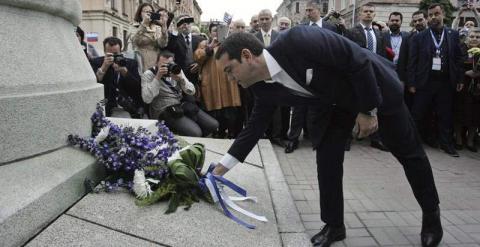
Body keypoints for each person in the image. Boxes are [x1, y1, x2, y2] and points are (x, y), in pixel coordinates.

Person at [212, 27, 442, 247]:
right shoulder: (260, 87)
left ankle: (432, 215)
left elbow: (356, 61)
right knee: (327, 159)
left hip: (374, 88)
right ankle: (334, 225)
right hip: (333, 106)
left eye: (229, 70)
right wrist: (219, 171)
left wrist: (368, 109)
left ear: (246, 55)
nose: (230, 79)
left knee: (409, 153)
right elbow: (254, 127)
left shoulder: (299, 39)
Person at [408, 3, 464, 157]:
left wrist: (460, 79)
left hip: (446, 82)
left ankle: (446, 144)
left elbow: (458, 59)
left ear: (443, 14)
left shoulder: (453, 34)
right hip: (424, 82)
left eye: (436, 14)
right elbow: (412, 61)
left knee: (445, 115)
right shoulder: (420, 37)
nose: (433, 17)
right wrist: (411, 83)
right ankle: (412, 143)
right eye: (430, 15)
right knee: (417, 113)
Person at [141, 51, 218, 137]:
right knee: (196, 132)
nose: (167, 67)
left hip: (179, 105)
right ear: (156, 63)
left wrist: (181, 79)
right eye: (163, 65)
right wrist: (158, 77)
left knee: (213, 125)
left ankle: (185, 133)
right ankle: (180, 134)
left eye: (169, 64)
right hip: (163, 109)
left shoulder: (175, 70)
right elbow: (146, 98)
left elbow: (191, 91)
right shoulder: (149, 74)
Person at [344, 3, 389, 151]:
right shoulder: (351, 32)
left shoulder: (380, 34)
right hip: (358, 74)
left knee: (376, 104)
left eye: (371, 11)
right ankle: (347, 138)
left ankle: (375, 138)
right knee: (353, 104)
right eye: (366, 11)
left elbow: (382, 56)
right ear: (360, 14)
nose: (368, 14)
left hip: (375, 74)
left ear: (374, 15)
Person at [194, 22, 243, 138]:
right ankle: (217, 133)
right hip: (212, 83)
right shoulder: (204, 44)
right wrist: (210, 47)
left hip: (228, 83)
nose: (217, 33)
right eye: (214, 30)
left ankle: (231, 133)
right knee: (215, 111)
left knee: (230, 110)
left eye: (219, 30)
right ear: (210, 32)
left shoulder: (229, 43)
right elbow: (197, 57)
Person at [91, 37, 145, 118]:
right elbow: (94, 84)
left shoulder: (131, 63)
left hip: (128, 105)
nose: (113, 58)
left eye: (116, 54)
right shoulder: (97, 62)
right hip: (106, 105)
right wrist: (104, 67)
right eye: (110, 54)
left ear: (121, 51)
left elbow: (137, 87)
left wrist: (124, 72)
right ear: (105, 52)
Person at [454, 28, 480, 152]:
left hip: (477, 88)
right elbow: (455, 66)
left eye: (477, 37)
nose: (474, 39)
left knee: (475, 115)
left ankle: (470, 141)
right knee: (460, 112)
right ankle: (459, 139)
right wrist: (466, 73)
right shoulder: (460, 49)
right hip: (463, 85)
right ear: (467, 37)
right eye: (472, 36)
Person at [130, 3, 169, 72]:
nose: (149, 14)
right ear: (140, 14)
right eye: (146, 12)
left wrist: (164, 33)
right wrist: (143, 24)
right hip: (142, 60)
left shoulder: (157, 27)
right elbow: (134, 42)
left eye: (151, 12)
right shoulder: (134, 26)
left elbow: (162, 44)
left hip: (156, 59)